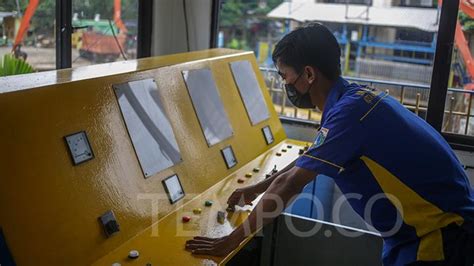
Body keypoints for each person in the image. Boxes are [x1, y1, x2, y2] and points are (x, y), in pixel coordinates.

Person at [185, 23, 474, 266]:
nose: (286, 86)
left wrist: (229, 243)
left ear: (309, 74)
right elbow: (311, 156)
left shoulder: (349, 115)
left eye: (287, 77)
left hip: (440, 236)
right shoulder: (353, 99)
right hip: (422, 232)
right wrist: (256, 188)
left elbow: (290, 185)